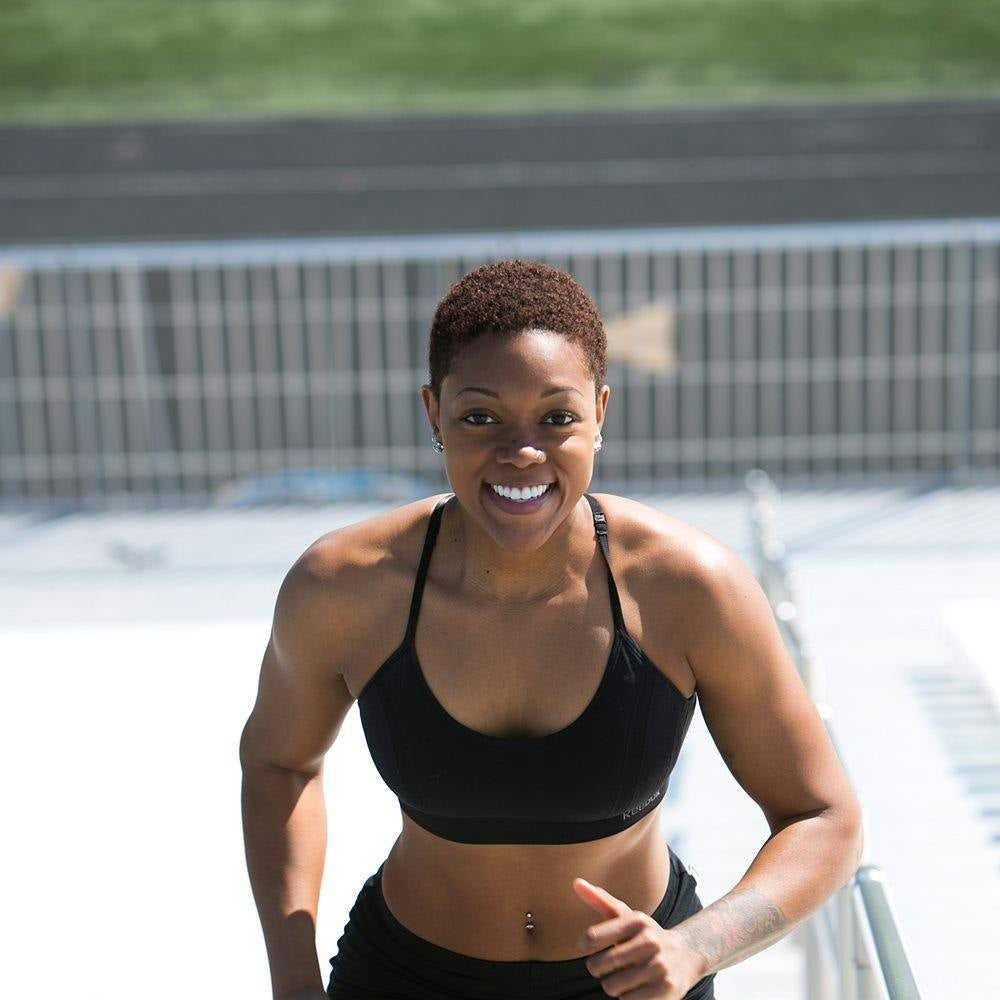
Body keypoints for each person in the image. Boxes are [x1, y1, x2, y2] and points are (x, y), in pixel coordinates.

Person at [240, 259, 864, 1000]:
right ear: (432, 414)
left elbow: (823, 816)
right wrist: (293, 978)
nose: (521, 452)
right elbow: (279, 765)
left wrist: (695, 948)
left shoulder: (688, 588)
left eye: (557, 417)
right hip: (405, 976)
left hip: (639, 984)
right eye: (480, 417)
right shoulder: (345, 585)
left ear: (601, 412)